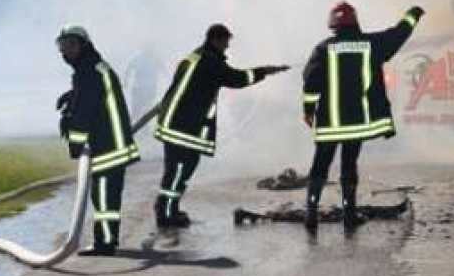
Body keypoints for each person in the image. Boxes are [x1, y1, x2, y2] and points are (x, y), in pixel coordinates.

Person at [302, 2, 424, 231]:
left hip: (329, 125)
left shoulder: (322, 49)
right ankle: (349, 212)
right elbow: (398, 34)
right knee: (349, 165)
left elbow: (311, 83)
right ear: (354, 21)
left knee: (320, 165)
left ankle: (311, 212)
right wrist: (412, 15)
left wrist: (308, 111)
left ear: (333, 24)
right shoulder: (371, 45)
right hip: (357, 125)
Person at [153, 24, 289, 228]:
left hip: (173, 122)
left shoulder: (194, 57)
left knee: (176, 171)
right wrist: (265, 71)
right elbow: (236, 79)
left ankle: (169, 208)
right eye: (226, 41)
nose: (227, 46)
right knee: (180, 171)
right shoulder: (210, 62)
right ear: (216, 39)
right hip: (185, 128)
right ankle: (165, 213)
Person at [56, 25, 140, 256]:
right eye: (62, 46)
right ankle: (107, 240)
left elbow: (85, 112)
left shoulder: (89, 71)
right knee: (106, 194)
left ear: (83, 44)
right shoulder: (93, 67)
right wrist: (72, 95)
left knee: (103, 195)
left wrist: (75, 143)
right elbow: (91, 97)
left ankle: (105, 243)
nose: (66, 51)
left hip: (107, 144)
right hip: (111, 141)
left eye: (71, 45)